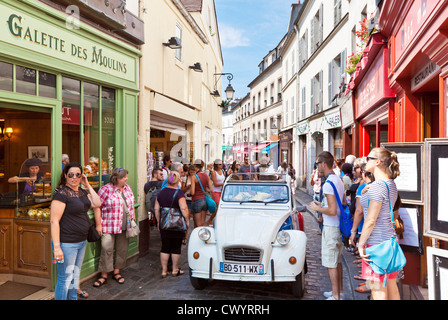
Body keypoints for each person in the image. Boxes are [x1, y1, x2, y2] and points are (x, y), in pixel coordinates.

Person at [50, 162, 101, 300]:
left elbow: (97, 203)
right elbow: (54, 221)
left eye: (78, 175)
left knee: (75, 275)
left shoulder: (82, 192)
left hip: (81, 241)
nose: (74, 177)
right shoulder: (61, 194)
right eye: (71, 174)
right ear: (65, 175)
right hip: (66, 243)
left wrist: (87, 184)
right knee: (65, 278)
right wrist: (57, 248)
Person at [357, 147, 401, 300]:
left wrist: (360, 244)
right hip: (389, 242)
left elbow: (370, 220)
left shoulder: (377, 186)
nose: (365, 160)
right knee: (391, 285)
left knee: (378, 290)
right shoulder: (390, 184)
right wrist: (365, 193)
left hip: (376, 244)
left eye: (368, 158)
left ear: (378, 162)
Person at [309, 151, 346, 300]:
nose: (317, 167)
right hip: (338, 226)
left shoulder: (329, 183)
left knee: (331, 262)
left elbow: (331, 210)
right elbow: (341, 203)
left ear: (324, 164)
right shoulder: (337, 180)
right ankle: (339, 292)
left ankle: (335, 296)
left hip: (331, 227)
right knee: (337, 261)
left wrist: (318, 208)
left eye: (318, 164)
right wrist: (322, 204)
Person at [93, 168, 136, 288]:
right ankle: (104, 275)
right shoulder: (105, 189)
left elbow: (131, 205)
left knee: (122, 249)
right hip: (108, 224)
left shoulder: (128, 188)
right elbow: (97, 207)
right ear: (116, 179)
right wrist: (98, 224)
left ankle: (117, 272)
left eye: (126, 176)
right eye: (123, 177)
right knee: (106, 248)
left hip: (125, 225)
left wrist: (132, 219)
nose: (126, 179)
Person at [154, 171, 189, 278]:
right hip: (177, 224)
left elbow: (156, 209)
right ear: (177, 181)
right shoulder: (179, 193)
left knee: (165, 246)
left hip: (164, 224)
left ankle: (164, 271)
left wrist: (159, 221)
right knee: (176, 247)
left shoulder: (161, 192)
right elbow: (183, 208)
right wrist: (187, 220)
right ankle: (174, 269)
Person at [190, 159, 213, 227]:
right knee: (203, 223)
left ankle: (198, 237)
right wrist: (204, 189)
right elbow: (211, 189)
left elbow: (192, 192)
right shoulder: (206, 175)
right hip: (204, 200)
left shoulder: (194, 177)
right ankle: (205, 236)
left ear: (195, 166)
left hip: (196, 200)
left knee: (198, 225)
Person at [210, 159, 225, 225]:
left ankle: (218, 220)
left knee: (221, 207)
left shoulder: (222, 171)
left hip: (221, 191)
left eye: (221, 164)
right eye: (220, 164)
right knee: (218, 207)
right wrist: (224, 184)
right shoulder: (214, 172)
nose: (221, 165)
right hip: (215, 191)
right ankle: (210, 219)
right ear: (216, 165)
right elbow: (215, 183)